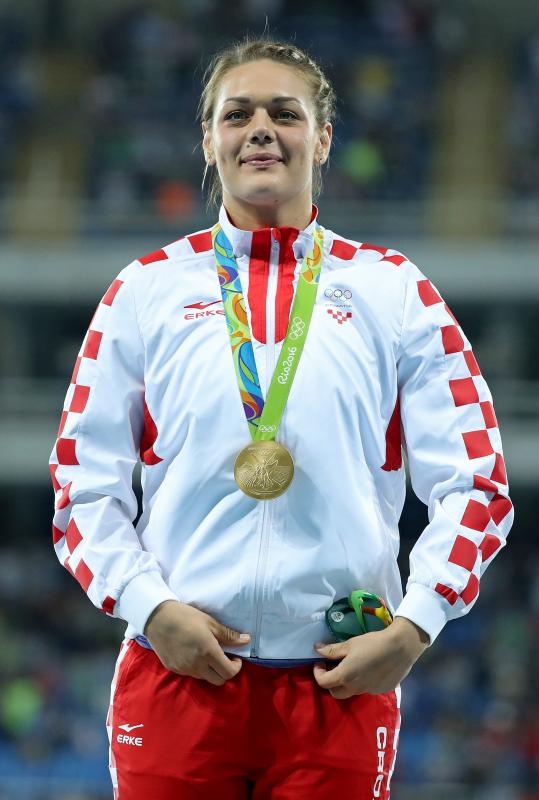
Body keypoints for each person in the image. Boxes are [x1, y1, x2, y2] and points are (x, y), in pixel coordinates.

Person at [49, 36, 513, 800]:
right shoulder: (143, 291)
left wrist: (415, 625)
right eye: (237, 113)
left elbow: (478, 484)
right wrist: (148, 607)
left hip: (339, 678)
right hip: (175, 672)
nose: (260, 128)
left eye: (283, 112)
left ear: (322, 137)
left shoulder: (395, 292)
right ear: (209, 139)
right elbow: (80, 487)